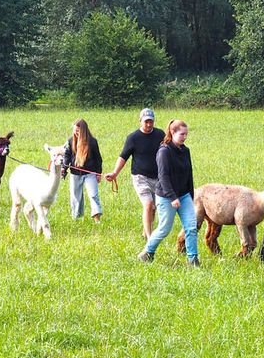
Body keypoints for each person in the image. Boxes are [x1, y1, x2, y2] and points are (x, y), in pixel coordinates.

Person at [138, 119, 198, 266]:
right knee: (164, 228)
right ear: (172, 132)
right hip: (166, 197)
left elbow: (189, 173)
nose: (185, 137)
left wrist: (191, 195)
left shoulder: (185, 151)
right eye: (182, 134)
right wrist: (172, 197)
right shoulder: (164, 151)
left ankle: (193, 260)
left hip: (184, 196)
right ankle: (147, 252)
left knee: (191, 227)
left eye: (186, 134)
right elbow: (163, 177)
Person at [105, 108, 165, 239]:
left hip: (158, 177)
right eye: (146, 122)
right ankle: (150, 238)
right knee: (148, 205)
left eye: (151, 121)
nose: (149, 124)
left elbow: (169, 151)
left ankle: (145, 232)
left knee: (153, 209)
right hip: (140, 177)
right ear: (140, 121)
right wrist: (115, 173)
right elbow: (123, 157)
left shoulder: (160, 135)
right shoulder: (133, 138)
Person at [64, 119, 103, 222]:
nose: (76, 133)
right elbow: (67, 156)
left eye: (78, 131)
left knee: (93, 195)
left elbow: (98, 159)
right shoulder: (70, 141)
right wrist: (64, 168)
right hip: (75, 174)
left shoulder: (92, 142)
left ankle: (97, 220)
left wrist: (99, 173)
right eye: (75, 131)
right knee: (75, 198)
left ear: (84, 131)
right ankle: (76, 219)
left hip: (90, 173)